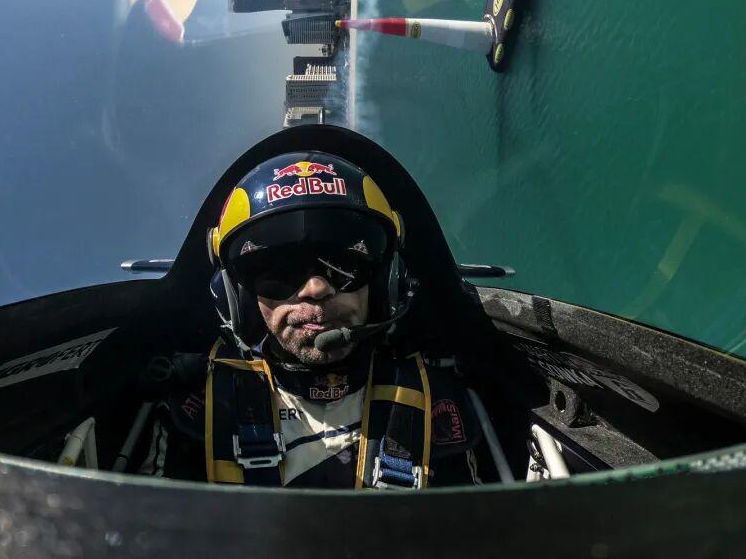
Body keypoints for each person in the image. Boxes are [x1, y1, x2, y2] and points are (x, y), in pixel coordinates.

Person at [133, 151, 497, 488]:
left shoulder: (435, 404)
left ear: (386, 281)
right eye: (276, 272)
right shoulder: (200, 411)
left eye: (345, 263)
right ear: (239, 298)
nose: (317, 288)